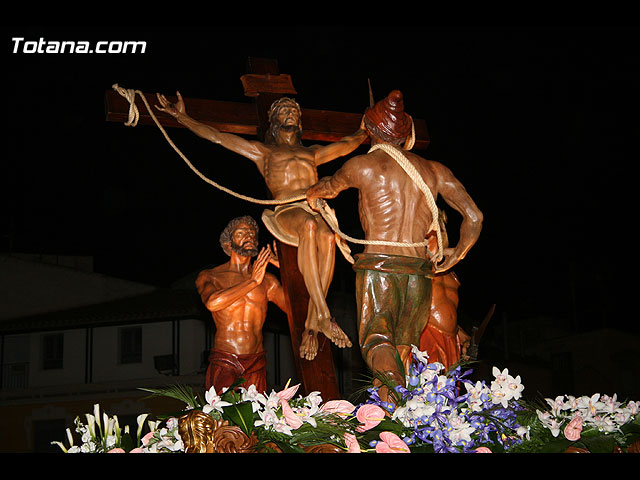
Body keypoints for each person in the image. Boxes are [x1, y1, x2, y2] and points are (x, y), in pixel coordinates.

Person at [156, 93, 367, 361]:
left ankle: (313, 323)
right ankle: (323, 313)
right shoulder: (264, 153)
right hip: (287, 211)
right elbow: (218, 137)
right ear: (273, 121)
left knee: (327, 236)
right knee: (312, 227)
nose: (291, 113)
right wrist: (182, 117)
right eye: (285, 110)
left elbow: (347, 144)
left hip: (311, 208)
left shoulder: (311, 152)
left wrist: (365, 129)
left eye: (294, 111)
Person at [306, 90, 483, 403]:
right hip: (420, 272)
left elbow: (325, 188)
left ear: (370, 129)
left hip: (381, 267)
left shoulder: (361, 165)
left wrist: (312, 195)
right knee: (403, 346)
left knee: (378, 342)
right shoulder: (435, 171)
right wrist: (459, 251)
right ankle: (407, 423)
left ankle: (393, 414)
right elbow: (474, 216)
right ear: (407, 134)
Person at [195, 216, 286, 393]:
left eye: (252, 233)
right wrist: (252, 282)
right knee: (227, 415)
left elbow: (297, 311)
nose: (249, 236)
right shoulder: (211, 276)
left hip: (256, 360)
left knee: (256, 417)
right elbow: (212, 303)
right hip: (226, 359)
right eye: (241, 233)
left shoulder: (267, 280)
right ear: (229, 243)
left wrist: (285, 269)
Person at [419, 210, 471, 369]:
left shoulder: (450, 271)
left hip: (451, 341)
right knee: (430, 387)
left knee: (452, 389)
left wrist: (462, 336)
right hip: (426, 335)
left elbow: (447, 309)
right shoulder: (416, 266)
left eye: (440, 227)